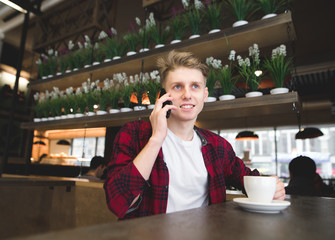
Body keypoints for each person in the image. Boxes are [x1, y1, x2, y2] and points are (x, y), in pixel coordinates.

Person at [104, 50, 285, 219]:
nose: (187, 95)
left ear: (205, 95)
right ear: (163, 95)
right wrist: (156, 139)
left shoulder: (218, 146)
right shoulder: (135, 134)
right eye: (177, 87)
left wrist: (271, 187)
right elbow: (117, 203)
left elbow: (246, 178)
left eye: (195, 86)